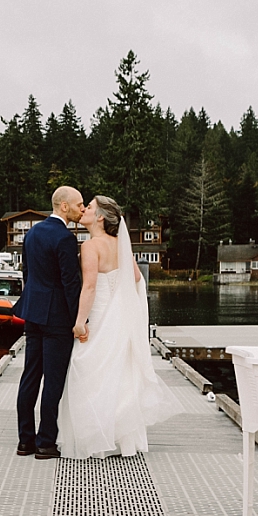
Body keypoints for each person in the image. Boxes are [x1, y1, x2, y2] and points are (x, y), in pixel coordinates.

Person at [57, 195, 178, 459]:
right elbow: (135, 277)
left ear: (100, 216)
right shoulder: (120, 244)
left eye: (88, 207)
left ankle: (93, 437)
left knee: (85, 367)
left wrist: (79, 323)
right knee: (117, 372)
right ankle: (118, 437)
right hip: (119, 314)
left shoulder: (91, 246)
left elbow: (89, 287)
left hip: (99, 314)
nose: (84, 210)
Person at [14, 186, 85, 459]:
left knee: (30, 377)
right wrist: (79, 319)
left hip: (33, 313)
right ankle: (46, 443)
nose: (82, 209)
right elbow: (70, 283)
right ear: (64, 206)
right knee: (52, 382)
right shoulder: (65, 238)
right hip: (56, 318)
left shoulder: (31, 233)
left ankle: (25, 441)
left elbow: (28, 274)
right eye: (79, 204)